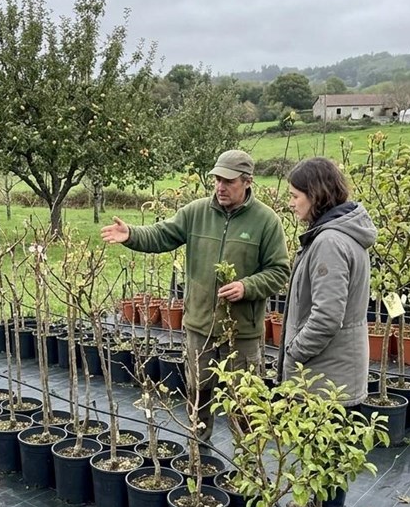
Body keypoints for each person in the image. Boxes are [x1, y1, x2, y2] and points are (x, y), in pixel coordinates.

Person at [100, 149, 291, 441]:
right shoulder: (197, 212)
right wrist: (132, 235)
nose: (220, 187)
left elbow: (279, 271)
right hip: (199, 326)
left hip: (241, 332)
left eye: (229, 181)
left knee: (244, 404)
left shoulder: (266, 221)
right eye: (217, 180)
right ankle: (198, 457)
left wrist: (247, 286)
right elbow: (163, 234)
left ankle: (249, 466)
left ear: (248, 181)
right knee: (197, 393)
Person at [282, 156, 377, 507]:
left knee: (329, 447)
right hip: (336, 365)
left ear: (315, 195)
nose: (291, 203)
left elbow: (326, 316)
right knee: (327, 448)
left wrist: (295, 351)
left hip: (328, 370)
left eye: (295, 195)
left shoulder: (330, 242)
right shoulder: (342, 234)